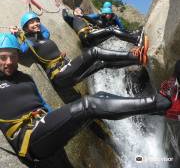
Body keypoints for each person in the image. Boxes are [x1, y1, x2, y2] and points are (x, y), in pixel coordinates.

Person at [0, 33, 174, 168]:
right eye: (3, 57)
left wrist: (60, 122)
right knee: (89, 104)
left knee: (100, 97)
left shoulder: (25, 78)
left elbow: (42, 104)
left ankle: (157, 109)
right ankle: (162, 102)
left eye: (13, 56)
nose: (8, 62)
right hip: (28, 139)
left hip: (45, 129)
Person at [10, 12, 148, 104]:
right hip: (59, 75)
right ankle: (134, 55)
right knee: (94, 52)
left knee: (102, 63)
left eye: (37, 21)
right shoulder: (30, 43)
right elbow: (21, 50)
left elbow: (45, 29)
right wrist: (17, 34)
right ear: (26, 28)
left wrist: (34, 14)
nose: (36, 24)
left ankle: (136, 60)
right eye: (32, 23)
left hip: (68, 74)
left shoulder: (44, 36)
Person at [63, 5, 141, 47]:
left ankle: (133, 39)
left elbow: (95, 22)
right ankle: (136, 39)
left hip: (92, 38)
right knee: (111, 30)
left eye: (79, 10)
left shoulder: (84, 19)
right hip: (87, 37)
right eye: (76, 10)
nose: (77, 11)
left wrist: (84, 17)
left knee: (112, 32)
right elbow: (66, 16)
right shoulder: (73, 18)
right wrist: (63, 9)